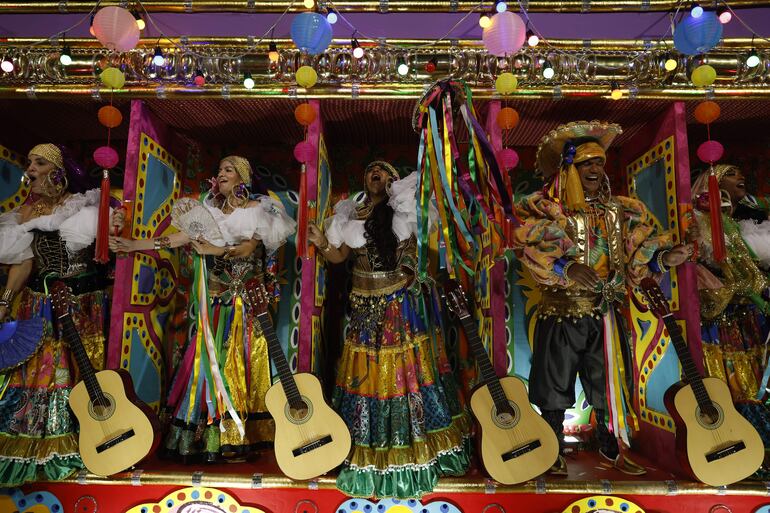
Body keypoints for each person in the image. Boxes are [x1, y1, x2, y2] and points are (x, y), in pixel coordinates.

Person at [513, 121, 692, 476]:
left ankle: (614, 446)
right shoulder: (550, 210)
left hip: (605, 313)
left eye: (599, 162)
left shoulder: (620, 210)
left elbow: (636, 253)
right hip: (561, 312)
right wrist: (566, 267)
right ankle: (552, 449)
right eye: (586, 164)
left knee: (607, 383)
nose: (596, 170)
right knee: (554, 387)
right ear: (570, 170)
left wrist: (662, 259)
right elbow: (528, 245)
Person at [110, 155, 295, 463]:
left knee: (240, 359)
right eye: (219, 169)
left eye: (228, 170)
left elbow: (248, 248)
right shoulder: (208, 214)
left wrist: (215, 250)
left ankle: (239, 435)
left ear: (242, 178)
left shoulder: (256, 211)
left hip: (245, 303)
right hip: (215, 303)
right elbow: (173, 239)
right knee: (208, 364)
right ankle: (208, 437)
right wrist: (132, 246)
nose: (220, 174)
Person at [307, 161, 470, 499]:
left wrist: (409, 274)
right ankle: (363, 447)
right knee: (365, 375)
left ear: (394, 181)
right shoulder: (350, 214)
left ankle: (411, 448)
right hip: (362, 303)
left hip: (398, 303)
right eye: (369, 171)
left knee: (401, 372)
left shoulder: (403, 209)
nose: (375, 174)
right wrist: (322, 241)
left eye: (383, 171)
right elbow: (338, 257)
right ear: (364, 180)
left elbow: (415, 249)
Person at [0, 144, 108, 486]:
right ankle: (41, 449)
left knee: (79, 370)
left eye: (39, 162)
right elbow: (24, 262)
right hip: (43, 303)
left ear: (57, 172)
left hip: (81, 303)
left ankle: (87, 440)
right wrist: (4, 301)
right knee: (44, 371)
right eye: (28, 161)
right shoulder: (26, 213)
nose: (30, 167)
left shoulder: (82, 205)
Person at [691, 166, 770, 452]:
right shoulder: (702, 226)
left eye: (741, 172)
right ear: (713, 183)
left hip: (750, 318)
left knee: (753, 381)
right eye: (732, 173)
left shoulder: (748, 222)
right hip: (719, 318)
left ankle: (757, 446)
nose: (741, 177)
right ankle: (734, 444)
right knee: (725, 382)